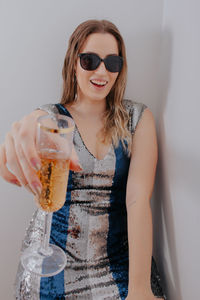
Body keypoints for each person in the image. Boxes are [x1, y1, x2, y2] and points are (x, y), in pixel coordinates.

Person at [0, 19, 167, 300]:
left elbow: (138, 201)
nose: (102, 71)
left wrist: (139, 288)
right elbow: (36, 123)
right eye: (90, 60)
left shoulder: (138, 119)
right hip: (52, 261)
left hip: (117, 261)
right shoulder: (52, 118)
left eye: (112, 62)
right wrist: (30, 122)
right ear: (73, 63)